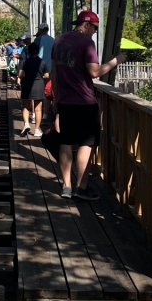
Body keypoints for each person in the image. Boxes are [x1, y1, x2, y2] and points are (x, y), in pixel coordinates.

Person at [51, 10, 125, 201]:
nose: (95, 32)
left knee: (65, 142)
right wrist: (115, 61)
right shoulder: (86, 43)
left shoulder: (59, 42)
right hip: (84, 102)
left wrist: (57, 99)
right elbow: (94, 72)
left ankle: (66, 186)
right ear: (86, 25)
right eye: (94, 28)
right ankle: (80, 187)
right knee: (86, 143)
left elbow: (54, 74)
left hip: (65, 101)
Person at [17, 41, 48, 137]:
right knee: (38, 109)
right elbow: (46, 75)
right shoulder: (42, 62)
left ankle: (26, 124)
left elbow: (20, 75)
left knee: (25, 106)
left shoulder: (24, 61)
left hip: (27, 84)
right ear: (38, 51)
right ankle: (37, 130)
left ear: (28, 52)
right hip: (38, 85)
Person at [34, 22, 56, 121]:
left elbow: (33, 53)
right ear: (47, 30)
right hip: (51, 69)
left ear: (40, 30)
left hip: (39, 68)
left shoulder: (37, 40)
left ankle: (35, 114)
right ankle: (45, 115)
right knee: (48, 91)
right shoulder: (53, 40)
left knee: (37, 90)